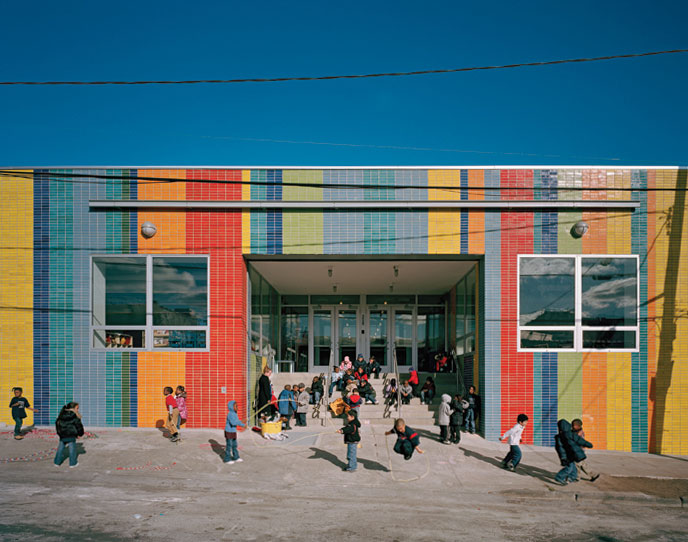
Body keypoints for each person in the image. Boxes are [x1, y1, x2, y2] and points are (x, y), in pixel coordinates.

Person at [53, 402, 84, 468]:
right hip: (71, 434)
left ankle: (57, 462)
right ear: (72, 408)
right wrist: (80, 434)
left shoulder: (61, 414)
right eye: (77, 408)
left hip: (62, 434)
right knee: (72, 449)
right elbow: (79, 426)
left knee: (60, 448)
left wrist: (59, 433)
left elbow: (57, 423)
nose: (78, 410)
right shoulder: (74, 416)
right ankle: (73, 463)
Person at [554, 419, 578, 485]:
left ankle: (572, 477)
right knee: (569, 468)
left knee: (573, 467)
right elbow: (560, 449)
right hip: (566, 456)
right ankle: (559, 477)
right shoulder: (560, 438)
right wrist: (563, 458)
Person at [224, 400, 246, 465]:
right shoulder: (230, 414)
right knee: (229, 446)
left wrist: (243, 424)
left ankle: (236, 457)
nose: (237, 407)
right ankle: (227, 459)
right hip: (229, 432)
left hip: (233, 432)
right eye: (236, 406)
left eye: (237, 406)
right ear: (231, 407)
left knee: (234, 445)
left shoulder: (235, 413)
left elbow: (237, 421)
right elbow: (233, 423)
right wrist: (241, 422)